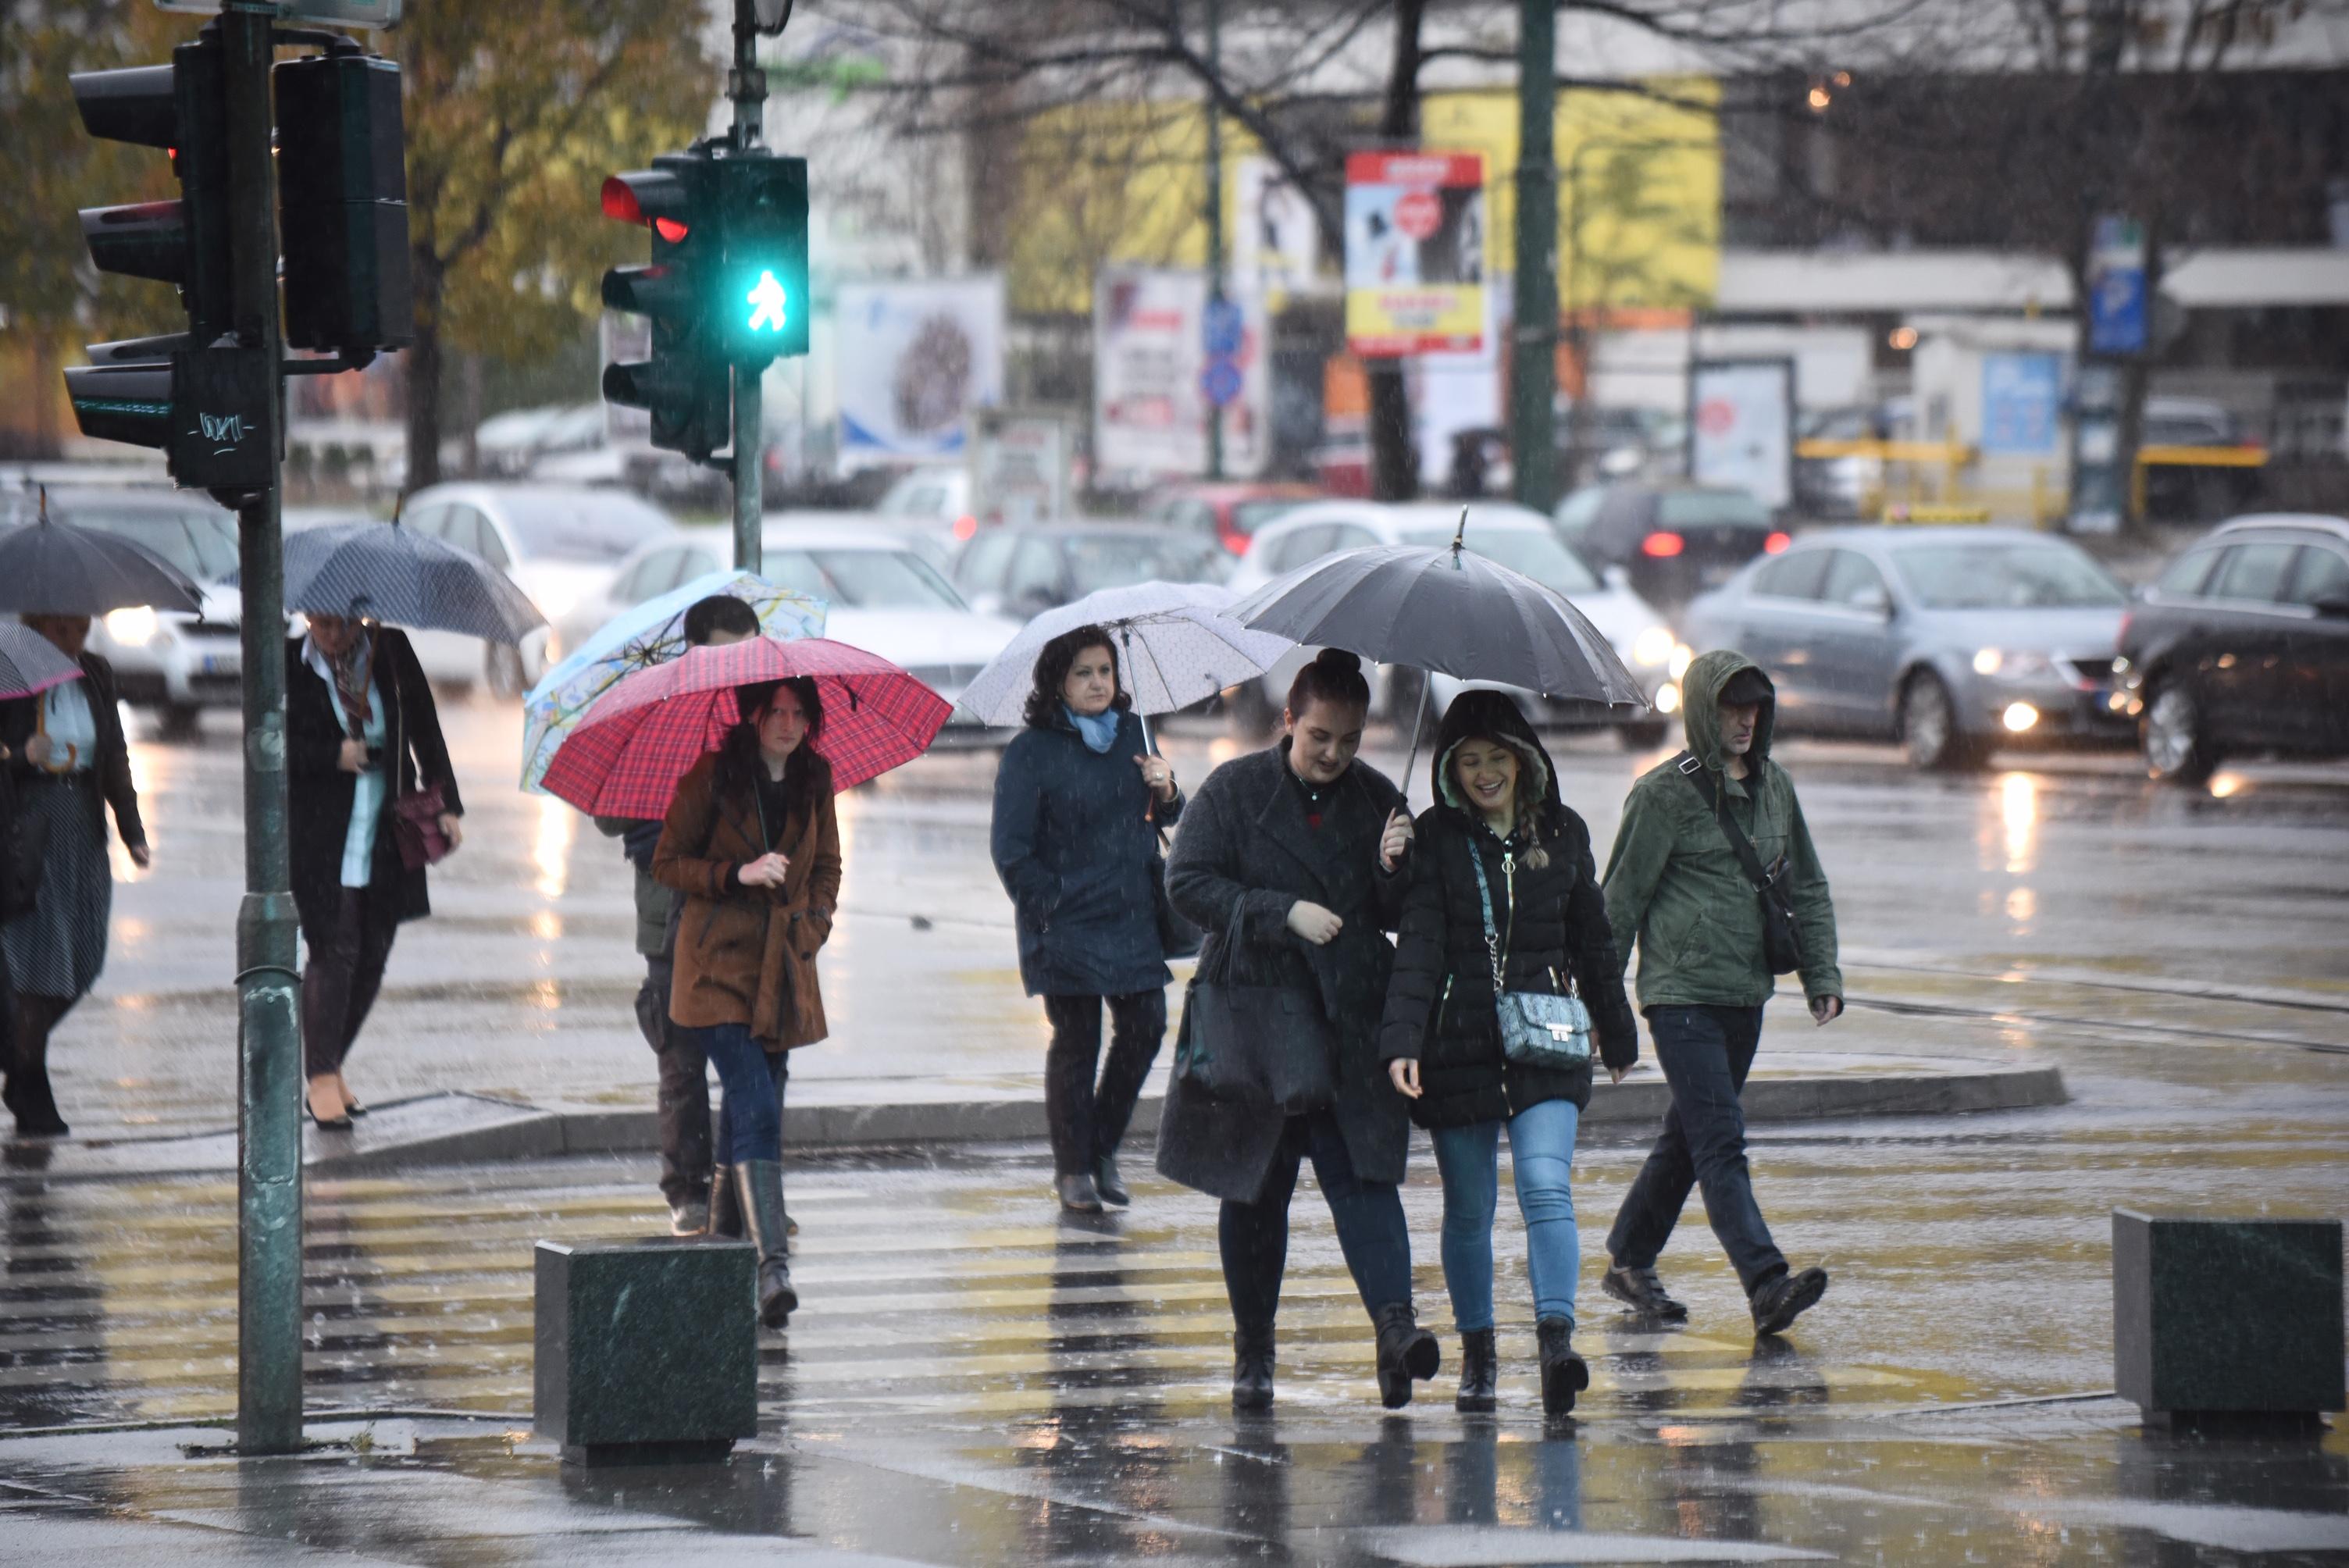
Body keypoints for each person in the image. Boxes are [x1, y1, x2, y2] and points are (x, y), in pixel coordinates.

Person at [1157, 648, 1441, 1410]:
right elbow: (1186, 883)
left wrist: (1392, 868)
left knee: (1364, 1181)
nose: (1334, 754)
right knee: (1255, 1191)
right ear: (1288, 721)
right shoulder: (1233, 790)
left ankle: (1395, 1333)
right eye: (1320, 736)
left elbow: (1396, 913)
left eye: (1349, 740)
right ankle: (1253, 1349)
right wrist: (1275, 911)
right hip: (1256, 1018)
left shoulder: (1377, 798)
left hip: (1348, 1021)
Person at [1378, 691, 1638, 1417]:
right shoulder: (1434, 838)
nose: (1485, 773)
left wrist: (1616, 1031)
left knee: (1545, 1187)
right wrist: (1402, 1040)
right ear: (1449, 768)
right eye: (1468, 761)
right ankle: (1479, 1355)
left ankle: (1557, 1345)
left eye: (1497, 758)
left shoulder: (1564, 832)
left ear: (1524, 760)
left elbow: (1594, 939)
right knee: (1470, 1209)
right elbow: (1420, 945)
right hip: (1456, 1046)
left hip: (1546, 1044)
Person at [1599, 651, 1843, 1337]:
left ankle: (1628, 1259)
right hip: (1679, 997)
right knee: (1720, 1142)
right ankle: (1766, 1282)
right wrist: (1603, 1008)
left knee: (1690, 1136)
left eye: (1754, 708)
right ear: (1703, 711)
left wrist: (1822, 975)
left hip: (1745, 994)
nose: (1743, 720)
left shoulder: (1776, 789)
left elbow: (1809, 888)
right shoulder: (1660, 796)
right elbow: (1617, 905)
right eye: (1730, 708)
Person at [654, 675, 841, 1329]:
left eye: (798, 714)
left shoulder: (816, 780)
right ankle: (772, 1267)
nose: (787, 725)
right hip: (714, 968)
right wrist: (738, 873)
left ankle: (721, 1256)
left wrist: (811, 924)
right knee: (755, 1099)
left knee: (744, 1115)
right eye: (775, 712)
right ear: (752, 717)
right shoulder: (713, 774)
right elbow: (667, 861)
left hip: (783, 970)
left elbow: (828, 869)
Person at [990, 625, 1182, 1213]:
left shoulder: (1135, 735)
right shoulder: (1031, 752)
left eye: (1105, 671)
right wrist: (1049, 904)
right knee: (1077, 1040)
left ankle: (1101, 1147)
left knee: (1146, 1026)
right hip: (1065, 920)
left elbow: (1172, 817)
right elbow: (1011, 848)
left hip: (1129, 914)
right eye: (1083, 673)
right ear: (1057, 684)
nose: (1098, 683)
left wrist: (1167, 787)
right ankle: (1073, 1169)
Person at [593, 594, 761, 1236]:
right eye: (725, 653)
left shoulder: (761, 720)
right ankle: (688, 1190)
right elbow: (610, 814)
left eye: (747, 653)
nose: (737, 668)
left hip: (746, 918)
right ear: (695, 651)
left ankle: (748, 1186)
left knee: (753, 1067)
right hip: (672, 920)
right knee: (683, 1062)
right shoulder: (655, 715)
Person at [287, 615, 463, 1129]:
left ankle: (332, 1063)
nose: (330, 634)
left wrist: (447, 802)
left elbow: (425, 727)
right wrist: (333, 756)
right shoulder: (286, 664)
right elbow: (267, 747)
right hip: (322, 834)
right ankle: (319, 1078)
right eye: (319, 622)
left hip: (387, 829)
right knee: (332, 947)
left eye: (341, 624)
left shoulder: (392, 650)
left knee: (373, 953)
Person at [0, 617, 148, 1137]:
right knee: (41, 963)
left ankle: (18, 1059)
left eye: (80, 626)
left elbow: (115, 758)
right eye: (62, 628)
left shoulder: (96, 674)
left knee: (84, 958)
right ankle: (30, 1084)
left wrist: (132, 830)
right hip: (30, 827)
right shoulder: (10, 671)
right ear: (37, 625)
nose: (74, 638)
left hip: (83, 826)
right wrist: (20, 757)